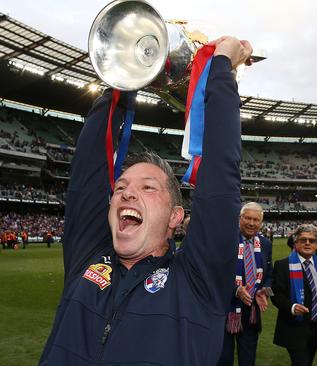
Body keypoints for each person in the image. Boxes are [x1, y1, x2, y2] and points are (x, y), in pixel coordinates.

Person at [39, 37, 252, 365]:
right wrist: (126, 74)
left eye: (148, 187)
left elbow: (221, 176)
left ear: (175, 216)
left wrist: (221, 68)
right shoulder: (88, 259)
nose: (127, 192)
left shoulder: (197, 280)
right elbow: (88, 171)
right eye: (121, 186)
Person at [218, 202, 273, 366]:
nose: (251, 223)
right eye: (247, 218)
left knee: (248, 360)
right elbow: (215, 274)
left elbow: (270, 274)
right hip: (225, 311)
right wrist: (236, 290)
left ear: (261, 223)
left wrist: (265, 291)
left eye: (256, 220)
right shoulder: (225, 241)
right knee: (223, 359)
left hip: (251, 314)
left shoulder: (265, 244)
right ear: (239, 219)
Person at [271, 224, 317, 366]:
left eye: (312, 240)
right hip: (294, 328)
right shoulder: (282, 265)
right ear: (295, 242)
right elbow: (276, 294)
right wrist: (292, 307)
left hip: (316, 327)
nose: (307, 243)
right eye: (303, 239)